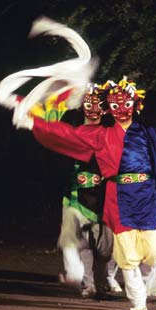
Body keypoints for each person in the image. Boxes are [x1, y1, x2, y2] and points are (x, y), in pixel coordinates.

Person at [29, 77, 156, 310]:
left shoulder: (147, 133)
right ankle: (138, 301)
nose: (121, 109)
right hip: (120, 197)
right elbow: (69, 136)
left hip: (147, 197)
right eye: (115, 105)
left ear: (136, 105)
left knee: (154, 253)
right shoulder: (103, 134)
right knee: (127, 255)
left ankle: (140, 283)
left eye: (125, 104)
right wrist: (35, 123)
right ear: (109, 107)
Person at [55, 83, 119, 298]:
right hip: (75, 195)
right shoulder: (71, 129)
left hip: (105, 196)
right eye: (88, 102)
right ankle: (87, 283)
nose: (92, 108)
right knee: (78, 241)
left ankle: (103, 281)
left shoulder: (111, 133)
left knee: (105, 247)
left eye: (98, 103)